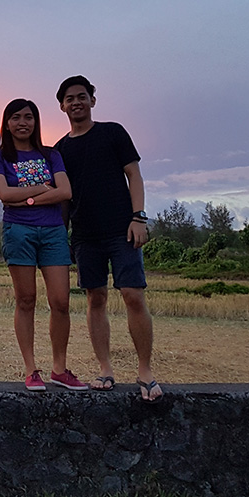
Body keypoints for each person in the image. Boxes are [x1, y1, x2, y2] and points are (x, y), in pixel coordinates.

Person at [54, 76, 164, 403]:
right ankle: (105, 368)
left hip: (122, 230)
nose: (76, 102)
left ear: (92, 101)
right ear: (61, 106)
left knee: (133, 295)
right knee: (95, 298)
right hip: (84, 235)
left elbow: (134, 175)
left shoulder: (113, 132)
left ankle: (145, 370)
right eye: (70, 98)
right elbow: (63, 199)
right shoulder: (60, 149)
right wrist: (62, 237)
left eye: (82, 96)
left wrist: (139, 216)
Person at [0, 98, 88, 392]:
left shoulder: (51, 154)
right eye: (16, 117)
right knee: (26, 300)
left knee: (61, 301)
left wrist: (28, 198)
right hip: (18, 231)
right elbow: (4, 194)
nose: (23, 122)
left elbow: (65, 191)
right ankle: (31, 370)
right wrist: (43, 189)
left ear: (36, 122)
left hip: (53, 231)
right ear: (6, 123)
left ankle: (59, 368)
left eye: (28, 117)